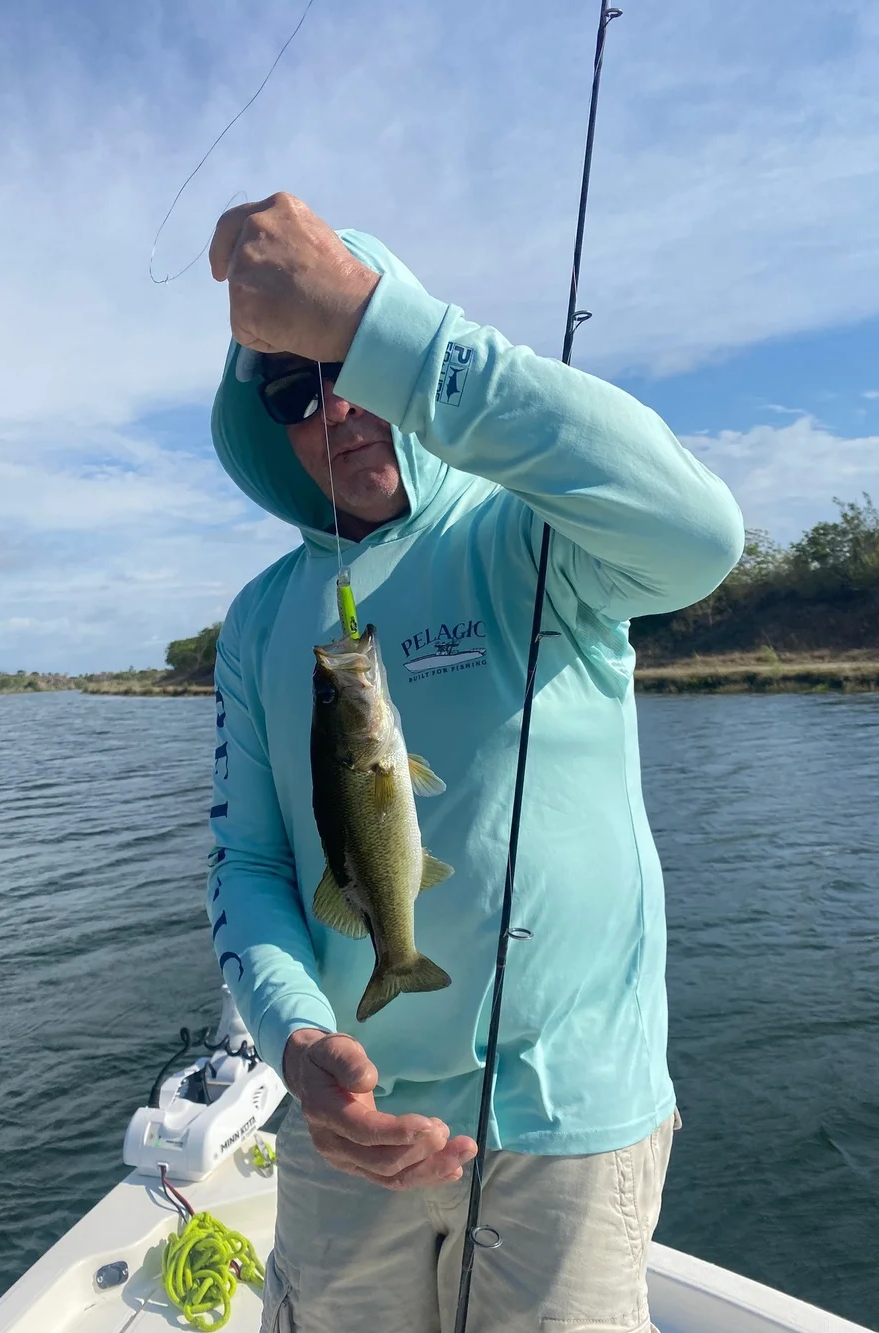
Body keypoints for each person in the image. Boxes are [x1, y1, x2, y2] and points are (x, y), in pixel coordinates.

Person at [205, 192, 744, 1333]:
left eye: (348, 360)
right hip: (347, 1122)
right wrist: (297, 1038)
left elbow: (700, 538)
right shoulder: (257, 621)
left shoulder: (534, 532)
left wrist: (380, 325)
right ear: (268, 425)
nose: (334, 404)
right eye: (293, 390)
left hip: (566, 1124)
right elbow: (249, 862)